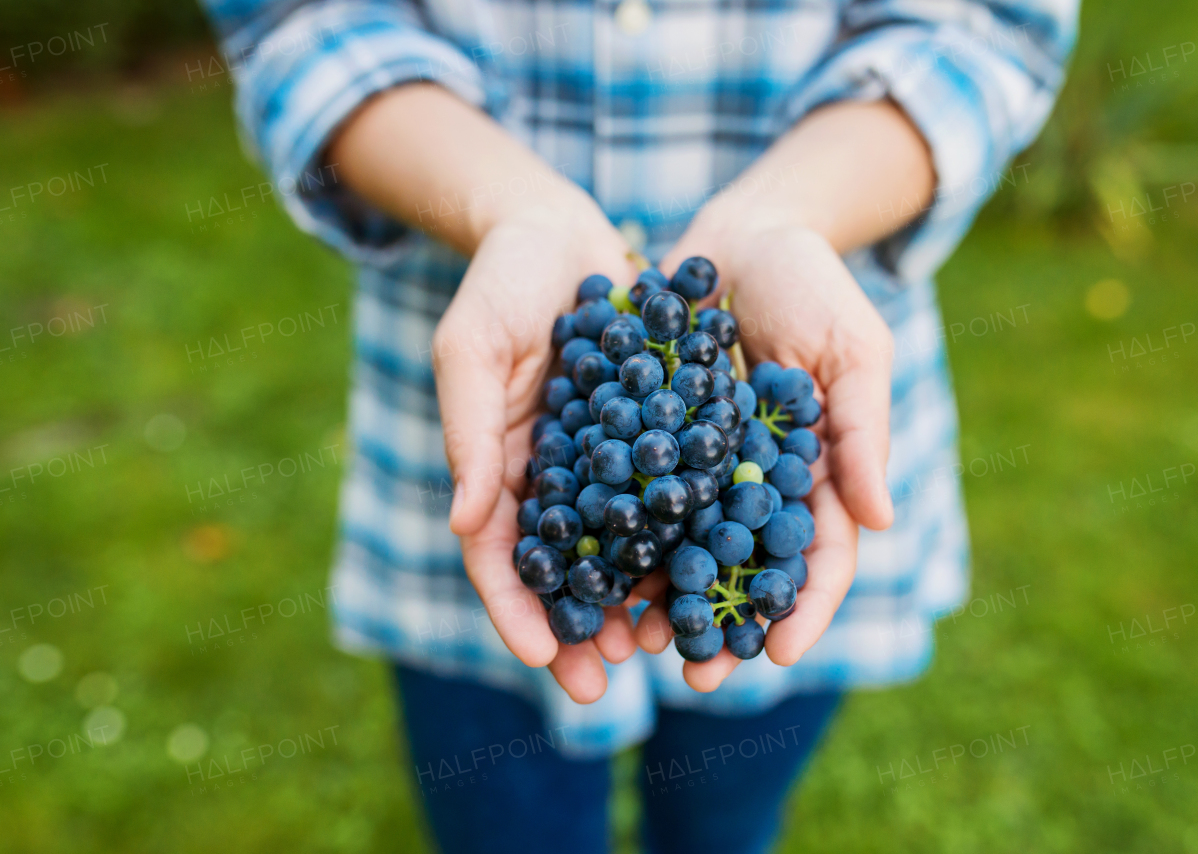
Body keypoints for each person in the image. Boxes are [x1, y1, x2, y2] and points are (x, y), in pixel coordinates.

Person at [200, 0, 1076, 850]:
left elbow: (988, 28)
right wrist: (506, 209)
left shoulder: (755, 455)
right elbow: (296, 21)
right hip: (467, 434)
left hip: (810, 387)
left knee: (723, 829)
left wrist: (791, 216)